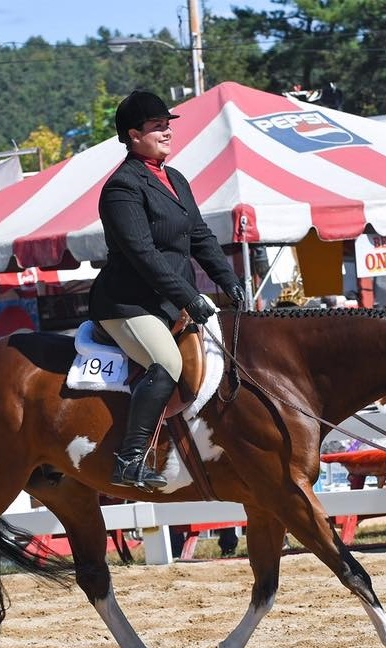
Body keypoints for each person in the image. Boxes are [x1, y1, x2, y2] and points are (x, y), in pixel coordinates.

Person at [89, 90, 245, 489]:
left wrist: (227, 279)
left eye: (167, 125)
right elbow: (143, 254)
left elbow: (199, 234)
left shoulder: (174, 179)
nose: (167, 132)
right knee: (167, 365)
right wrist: (189, 297)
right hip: (129, 304)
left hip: (168, 301)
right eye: (157, 126)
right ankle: (129, 458)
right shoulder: (121, 188)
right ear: (133, 134)